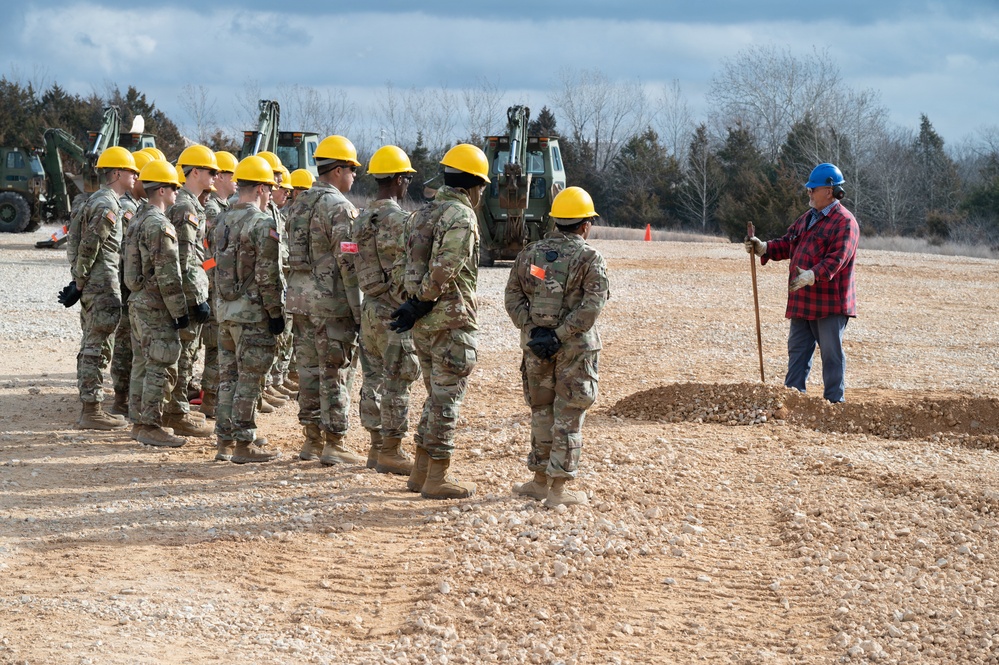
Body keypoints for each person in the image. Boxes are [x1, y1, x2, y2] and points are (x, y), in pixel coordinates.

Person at [390, 143, 488, 500]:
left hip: (423, 323)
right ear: (473, 185)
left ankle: (419, 472)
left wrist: (414, 304)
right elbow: (447, 267)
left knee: (434, 397)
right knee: (446, 400)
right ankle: (437, 476)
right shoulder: (461, 216)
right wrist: (421, 301)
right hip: (449, 321)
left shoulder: (421, 214)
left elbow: (404, 267)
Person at [504, 186, 609, 507]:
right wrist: (560, 334)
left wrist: (534, 330)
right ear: (584, 225)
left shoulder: (531, 255)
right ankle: (558, 490)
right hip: (575, 351)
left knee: (541, 411)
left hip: (536, 349)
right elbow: (592, 307)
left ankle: (539, 480)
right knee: (568, 415)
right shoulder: (590, 257)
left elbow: (513, 296)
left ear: (555, 221)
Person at [744, 162, 859, 403]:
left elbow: (836, 260)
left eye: (812, 188)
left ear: (828, 191)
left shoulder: (845, 222)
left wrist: (811, 275)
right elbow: (788, 242)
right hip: (802, 301)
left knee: (831, 355)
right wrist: (763, 247)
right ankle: (793, 400)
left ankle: (834, 404)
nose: (808, 192)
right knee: (797, 352)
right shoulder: (808, 218)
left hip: (829, 304)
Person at [284, 135, 364, 465]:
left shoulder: (298, 203)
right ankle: (336, 442)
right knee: (335, 371)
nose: (354, 175)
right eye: (351, 169)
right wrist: (359, 311)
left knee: (308, 372)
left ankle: (311, 441)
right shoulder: (340, 208)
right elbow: (348, 262)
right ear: (337, 170)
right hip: (331, 304)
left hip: (301, 302)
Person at [210, 156, 286, 463]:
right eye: (269, 189)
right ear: (262, 189)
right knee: (249, 379)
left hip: (225, 312)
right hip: (253, 314)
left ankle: (224, 442)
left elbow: (215, 267)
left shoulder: (221, 220)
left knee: (228, 376)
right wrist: (277, 314)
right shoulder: (262, 223)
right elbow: (269, 276)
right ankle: (244, 443)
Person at [57, 146, 139, 430]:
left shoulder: (100, 200)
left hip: (96, 281)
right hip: (101, 282)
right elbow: (91, 244)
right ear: (117, 173)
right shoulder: (107, 204)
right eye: (131, 171)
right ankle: (91, 410)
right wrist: (79, 283)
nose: (136, 175)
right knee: (97, 345)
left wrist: (78, 282)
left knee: (96, 342)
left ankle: (92, 406)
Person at [352, 145, 419, 475]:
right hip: (395, 313)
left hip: (369, 312)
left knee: (373, 379)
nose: (407, 183)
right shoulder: (402, 221)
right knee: (397, 381)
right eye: (406, 178)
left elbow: (351, 263)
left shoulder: (361, 218)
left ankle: (376, 447)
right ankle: (391, 450)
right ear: (398, 179)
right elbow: (409, 271)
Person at [122, 159, 189, 447]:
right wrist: (180, 312)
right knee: (161, 364)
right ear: (161, 190)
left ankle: (139, 422)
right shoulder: (160, 225)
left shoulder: (137, 219)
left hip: (138, 301)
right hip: (156, 305)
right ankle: (150, 424)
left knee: (142, 363)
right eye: (174, 187)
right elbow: (168, 273)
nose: (177, 193)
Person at [164, 145, 217, 437]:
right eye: (210, 171)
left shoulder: (193, 205)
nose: (215, 176)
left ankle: (176, 409)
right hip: (187, 296)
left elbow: (198, 257)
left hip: (193, 290)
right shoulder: (185, 207)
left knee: (188, 353)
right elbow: (183, 260)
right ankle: (175, 413)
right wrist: (195, 298)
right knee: (183, 355)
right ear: (194, 172)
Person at [107, 149, 154, 417]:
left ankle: (127, 396)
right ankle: (121, 398)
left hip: (129, 285)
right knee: (125, 344)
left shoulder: (136, 207)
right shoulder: (126, 208)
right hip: (127, 286)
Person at [198, 150, 239, 418]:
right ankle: (210, 401)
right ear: (221, 176)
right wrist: (214, 277)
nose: (236, 181)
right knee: (214, 348)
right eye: (231, 175)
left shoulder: (224, 207)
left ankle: (213, 399)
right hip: (214, 288)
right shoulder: (213, 209)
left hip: (220, 287)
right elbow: (207, 254)